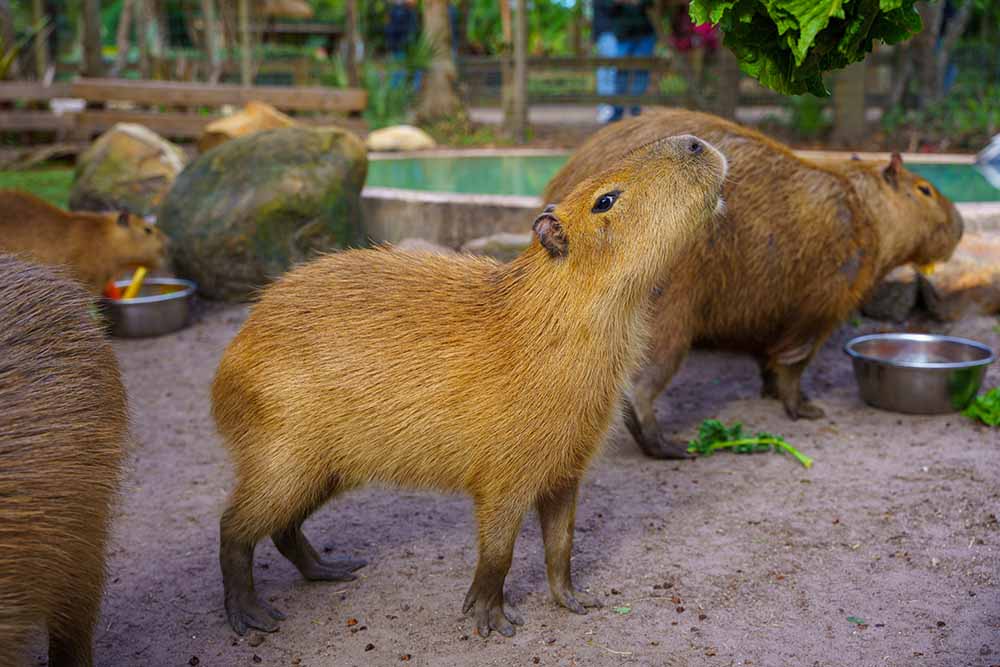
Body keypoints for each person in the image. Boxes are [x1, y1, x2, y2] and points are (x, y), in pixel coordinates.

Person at [594, 0, 656, 124]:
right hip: (623, 33)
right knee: (620, 71)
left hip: (644, 31)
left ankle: (636, 109)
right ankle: (617, 111)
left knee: (641, 71)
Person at [386, 0, 420, 89]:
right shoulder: (399, 11)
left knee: (414, 70)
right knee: (398, 72)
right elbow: (393, 30)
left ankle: (411, 91)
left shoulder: (409, 11)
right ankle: (396, 93)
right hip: (400, 47)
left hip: (408, 47)